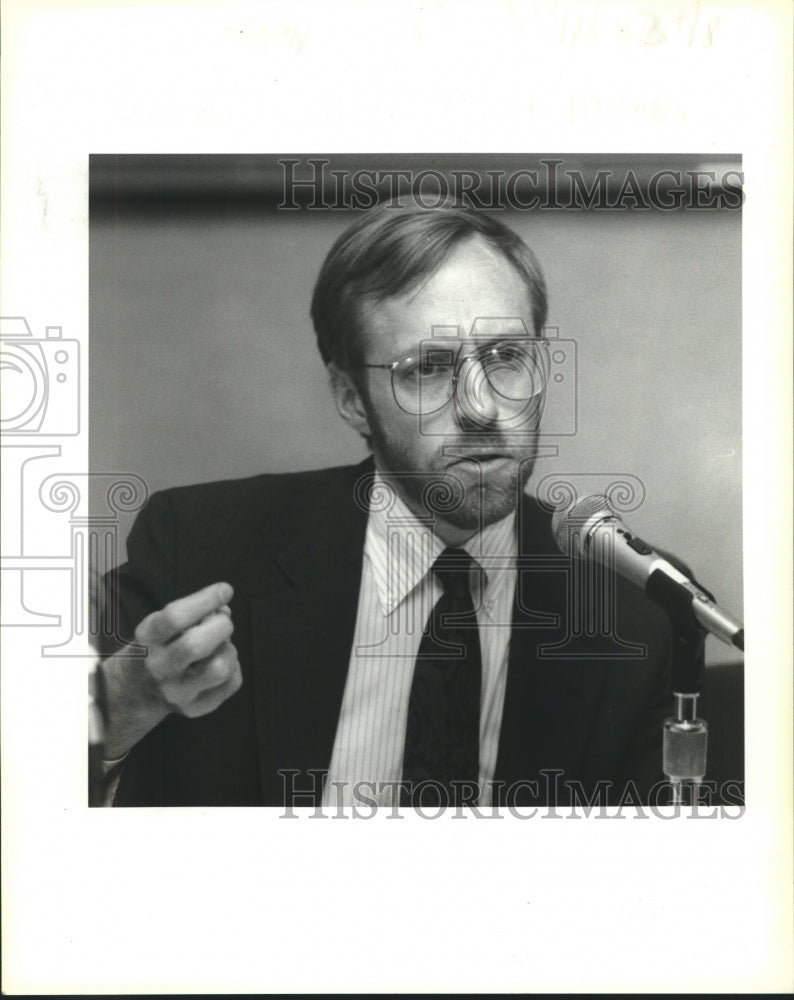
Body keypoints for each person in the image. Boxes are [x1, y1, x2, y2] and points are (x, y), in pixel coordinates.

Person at [98, 200, 677, 809]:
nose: (481, 407)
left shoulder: (632, 608)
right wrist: (127, 699)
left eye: (507, 357)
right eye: (427, 368)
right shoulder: (199, 548)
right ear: (352, 399)